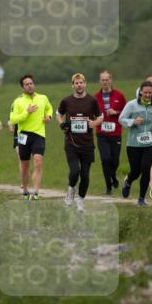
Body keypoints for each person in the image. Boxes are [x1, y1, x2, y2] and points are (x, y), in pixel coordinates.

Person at [57, 73, 103, 211]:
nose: (79, 85)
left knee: (85, 175)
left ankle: (81, 200)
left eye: (81, 82)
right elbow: (58, 114)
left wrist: (94, 123)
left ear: (85, 84)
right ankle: (71, 189)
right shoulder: (66, 101)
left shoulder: (92, 100)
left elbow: (100, 117)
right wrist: (61, 124)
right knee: (74, 171)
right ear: (73, 85)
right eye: (76, 83)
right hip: (71, 142)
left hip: (87, 143)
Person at [10, 74, 53, 200]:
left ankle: (35, 193)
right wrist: (26, 112)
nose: (29, 86)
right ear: (22, 87)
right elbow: (13, 119)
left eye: (31, 83)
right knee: (25, 166)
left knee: (38, 162)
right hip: (24, 135)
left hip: (39, 134)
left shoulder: (43, 98)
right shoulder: (18, 102)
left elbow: (49, 108)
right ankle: (25, 189)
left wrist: (48, 117)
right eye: (26, 84)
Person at [120, 81, 152, 206]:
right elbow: (121, 119)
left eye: (150, 92)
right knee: (135, 171)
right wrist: (133, 121)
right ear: (140, 92)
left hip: (150, 143)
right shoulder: (131, 105)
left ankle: (141, 199)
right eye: (145, 92)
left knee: (146, 169)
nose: (148, 95)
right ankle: (128, 181)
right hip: (133, 144)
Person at [94, 70, 127, 195]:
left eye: (107, 79)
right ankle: (108, 186)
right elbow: (91, 113)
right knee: (105, 159)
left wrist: (116, 112)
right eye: (102, 80)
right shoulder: (95, 97)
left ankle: (113, 176)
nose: (105, 82)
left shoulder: (119, 95)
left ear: (111, 80)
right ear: (100, 81)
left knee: (115, 160)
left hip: (115, 133)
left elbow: (127, 112)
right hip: (101, 133)